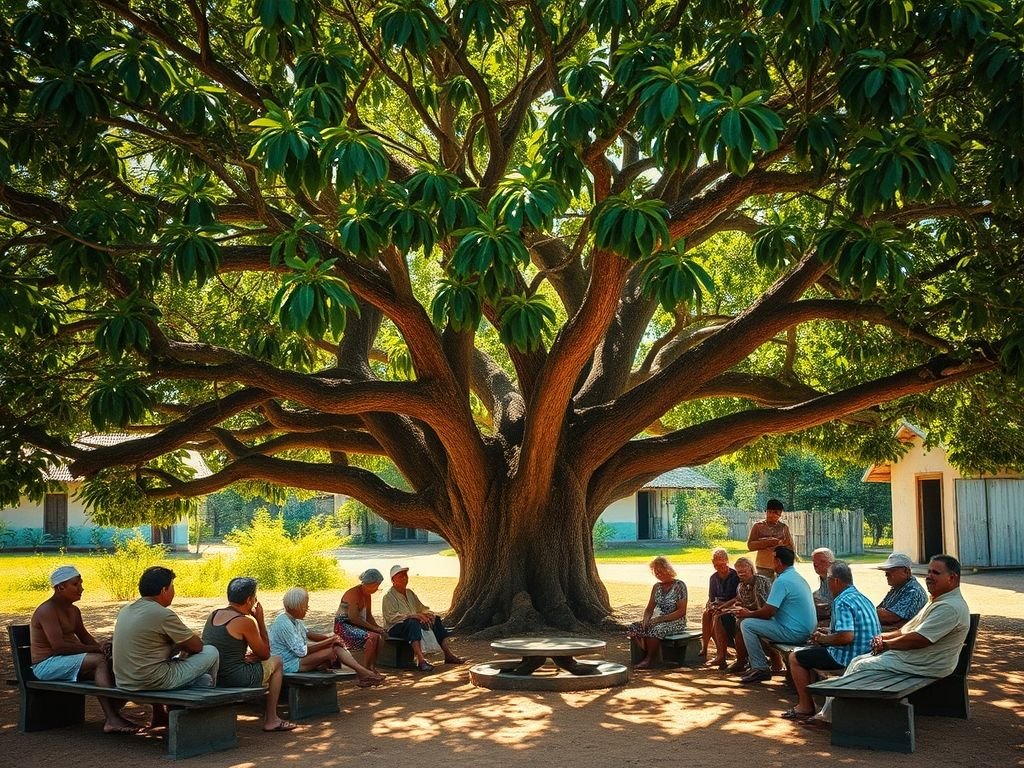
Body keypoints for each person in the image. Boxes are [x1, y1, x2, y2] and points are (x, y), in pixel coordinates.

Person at [805, 554, 971, 727]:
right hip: (920, 657)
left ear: (952, 577)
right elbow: (906, 629)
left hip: (926, 662)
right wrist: (882, 637)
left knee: (861, 666)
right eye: (928, 572)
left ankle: (837, 716)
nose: (929, 577)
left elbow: (919, 639)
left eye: (935, 573)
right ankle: (831, 713)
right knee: (858, 661)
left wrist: (887, 644)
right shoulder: (938, 600)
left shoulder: (948, 607)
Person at [30, 565, 140, 734]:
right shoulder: (47, 610)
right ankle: (112, 718)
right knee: (99, 661)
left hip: (66, 662)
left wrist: (104, 649)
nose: (81, 588)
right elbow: (59, 647)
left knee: (113, 663)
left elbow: (85, 637)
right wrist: (96, 650)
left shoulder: (74, 610)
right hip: (46, 665)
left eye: (80, 583)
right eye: (75, 584)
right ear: (61, 587)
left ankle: (117, 710)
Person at [112, 566, 220, 729]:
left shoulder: (126, 609)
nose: (173, 592)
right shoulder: (162, 614)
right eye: (172, 587)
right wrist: (182, 643)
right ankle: (209, 706)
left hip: (125, 681)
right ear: (164, 590)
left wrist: (177, 645)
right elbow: (197, 646)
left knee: (203, 680)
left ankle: (166, 713)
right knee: (211, 651)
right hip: (151, 681)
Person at [782, 560, 880, 720]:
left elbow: (846, 637)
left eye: (828, 580)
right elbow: (851, 629)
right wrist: (828, 632)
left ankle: (805, 706)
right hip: (867, 654)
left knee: (795, 657)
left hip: (847, 658)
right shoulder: (863, 598)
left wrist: (823, 639)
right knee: (809, 654)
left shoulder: (841, 601)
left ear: (836, 581)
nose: (827, 584)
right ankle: (815, 701)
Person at [201, 577, 296, 732]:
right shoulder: (245, 621)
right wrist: (260, 621)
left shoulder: (214, 614)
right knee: (277, 662)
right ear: (249, 600)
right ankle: (272, 719)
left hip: (214, 675)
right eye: (254, 598)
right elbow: (266, 654)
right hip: (234, 678)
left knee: (258, 660)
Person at [732, 546, 816, 683]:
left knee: (746, 624)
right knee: (750, 623)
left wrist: (748, 613)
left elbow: (768, 612)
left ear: (778, 561)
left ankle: (760, 668)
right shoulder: (796, 577)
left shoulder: (782, 581)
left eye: (773, 560)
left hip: (795, 632)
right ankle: (763, 664)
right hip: (804, 630)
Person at [269, 587, 385, 687]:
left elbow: (308, 633)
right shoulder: (284, 623)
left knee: (335, 646)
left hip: (297, 658)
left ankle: (362, 673)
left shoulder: (294, 620)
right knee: (332, 650)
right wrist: (329, 641)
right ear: (297, 607)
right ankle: (364, 673)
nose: (307, 608)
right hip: (289, 663)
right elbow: (301, 651)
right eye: (305, 606)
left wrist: (332, 638)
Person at [382, 565, 465, 672]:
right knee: (413, 623)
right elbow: (391, 617)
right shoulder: (388, 596)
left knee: (436, 620)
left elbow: (422, 608)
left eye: (405, 575)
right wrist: (412, 615)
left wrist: (428, 614)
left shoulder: (409, 593)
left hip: (412, 623)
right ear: (393, 580)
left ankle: (448, 654)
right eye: (400, 576)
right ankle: (421, 660)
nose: (404, 578)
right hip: (395, 627)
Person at [626, 556, 688, 670]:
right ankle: (645, 651)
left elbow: (681, 611)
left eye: (660, 571)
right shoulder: (656, 587)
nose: (658, 574)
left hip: (675, 620)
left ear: (667, 569)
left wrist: (661, 619)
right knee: (634, 627)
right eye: (656, 572)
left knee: (656, 629)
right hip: (657, 618)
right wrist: (646, 620)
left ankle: (649, 658)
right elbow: (650, 608)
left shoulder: (679, 586)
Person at [717, 556, 772, 672]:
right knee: (720, 617)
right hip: (750, 614)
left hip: (766, 616)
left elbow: (764, 607)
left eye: (744, 571)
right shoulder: (741, 585)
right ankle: (727, 657)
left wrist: (746, 612)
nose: (741, 575)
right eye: (739, 572)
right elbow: (739, 599)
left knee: (741, 622)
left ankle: (742, 661)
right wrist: (724, 608)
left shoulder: (761, 581)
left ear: (751, 569)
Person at [334, 568, 389, 672]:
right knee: (371, 637)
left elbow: (369, 616)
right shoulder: (353, 593)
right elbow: (353, 618)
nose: (377, 588)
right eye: (376, 585)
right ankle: (365, 670)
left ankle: (372, 667)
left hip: (356, 624)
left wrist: (378, 628)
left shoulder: (367, 595)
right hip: (343, 625)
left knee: (379, 636)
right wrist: (374, 629)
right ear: (368, 583)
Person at [700, 548, 739, 668]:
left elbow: (738, 597)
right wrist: (711, 605)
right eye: (716, 564)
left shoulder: (735, 575)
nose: (720, 567)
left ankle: (721, 655)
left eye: (722, 563)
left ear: (727, 560)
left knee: (717, 615)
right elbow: (711, 597)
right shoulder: (713, 578)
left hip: (732, 604)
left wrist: (722, 605)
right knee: (707, 613)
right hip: (719, 604)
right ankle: (706, 647)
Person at [875, 552, 928, 629]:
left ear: (907, 572)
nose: (886, 575)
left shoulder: (913, 591)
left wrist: (866, 611)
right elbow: (880, 609)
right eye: (886, 571)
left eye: (891, 571)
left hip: (903, 633)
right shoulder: (897, 588)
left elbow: (889, 616)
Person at [746, 499, 795, 581]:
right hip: (763, 566)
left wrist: (781, 547)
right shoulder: (758, 526)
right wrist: (768, 542)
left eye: (779, 514)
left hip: (781, 566)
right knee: (763, 587)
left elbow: (790, 547)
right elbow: (750, 546)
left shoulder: (783, 528)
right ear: (768, 512)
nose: (778, 517)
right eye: (776, 514)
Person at [811, 547, 836, 624]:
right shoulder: (822, 580)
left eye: (822, 561)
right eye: (814, 562)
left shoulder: (837, 581)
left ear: (831, 563)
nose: (817, 565)